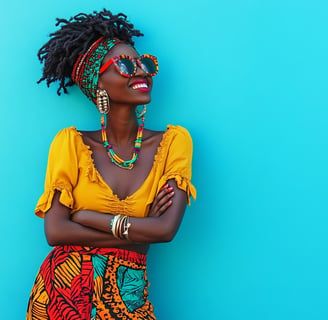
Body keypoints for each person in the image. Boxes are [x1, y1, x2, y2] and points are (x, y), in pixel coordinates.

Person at [27, 9, 196, 320]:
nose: (140, 72)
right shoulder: (70, 144)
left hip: (129, 296)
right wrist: (139, 234)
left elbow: (165, 230)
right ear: (98, 84)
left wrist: (87, 216)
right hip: (63, 293)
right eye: (125, 65)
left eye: (145, 63)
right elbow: (55, 232)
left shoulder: (174, 143)